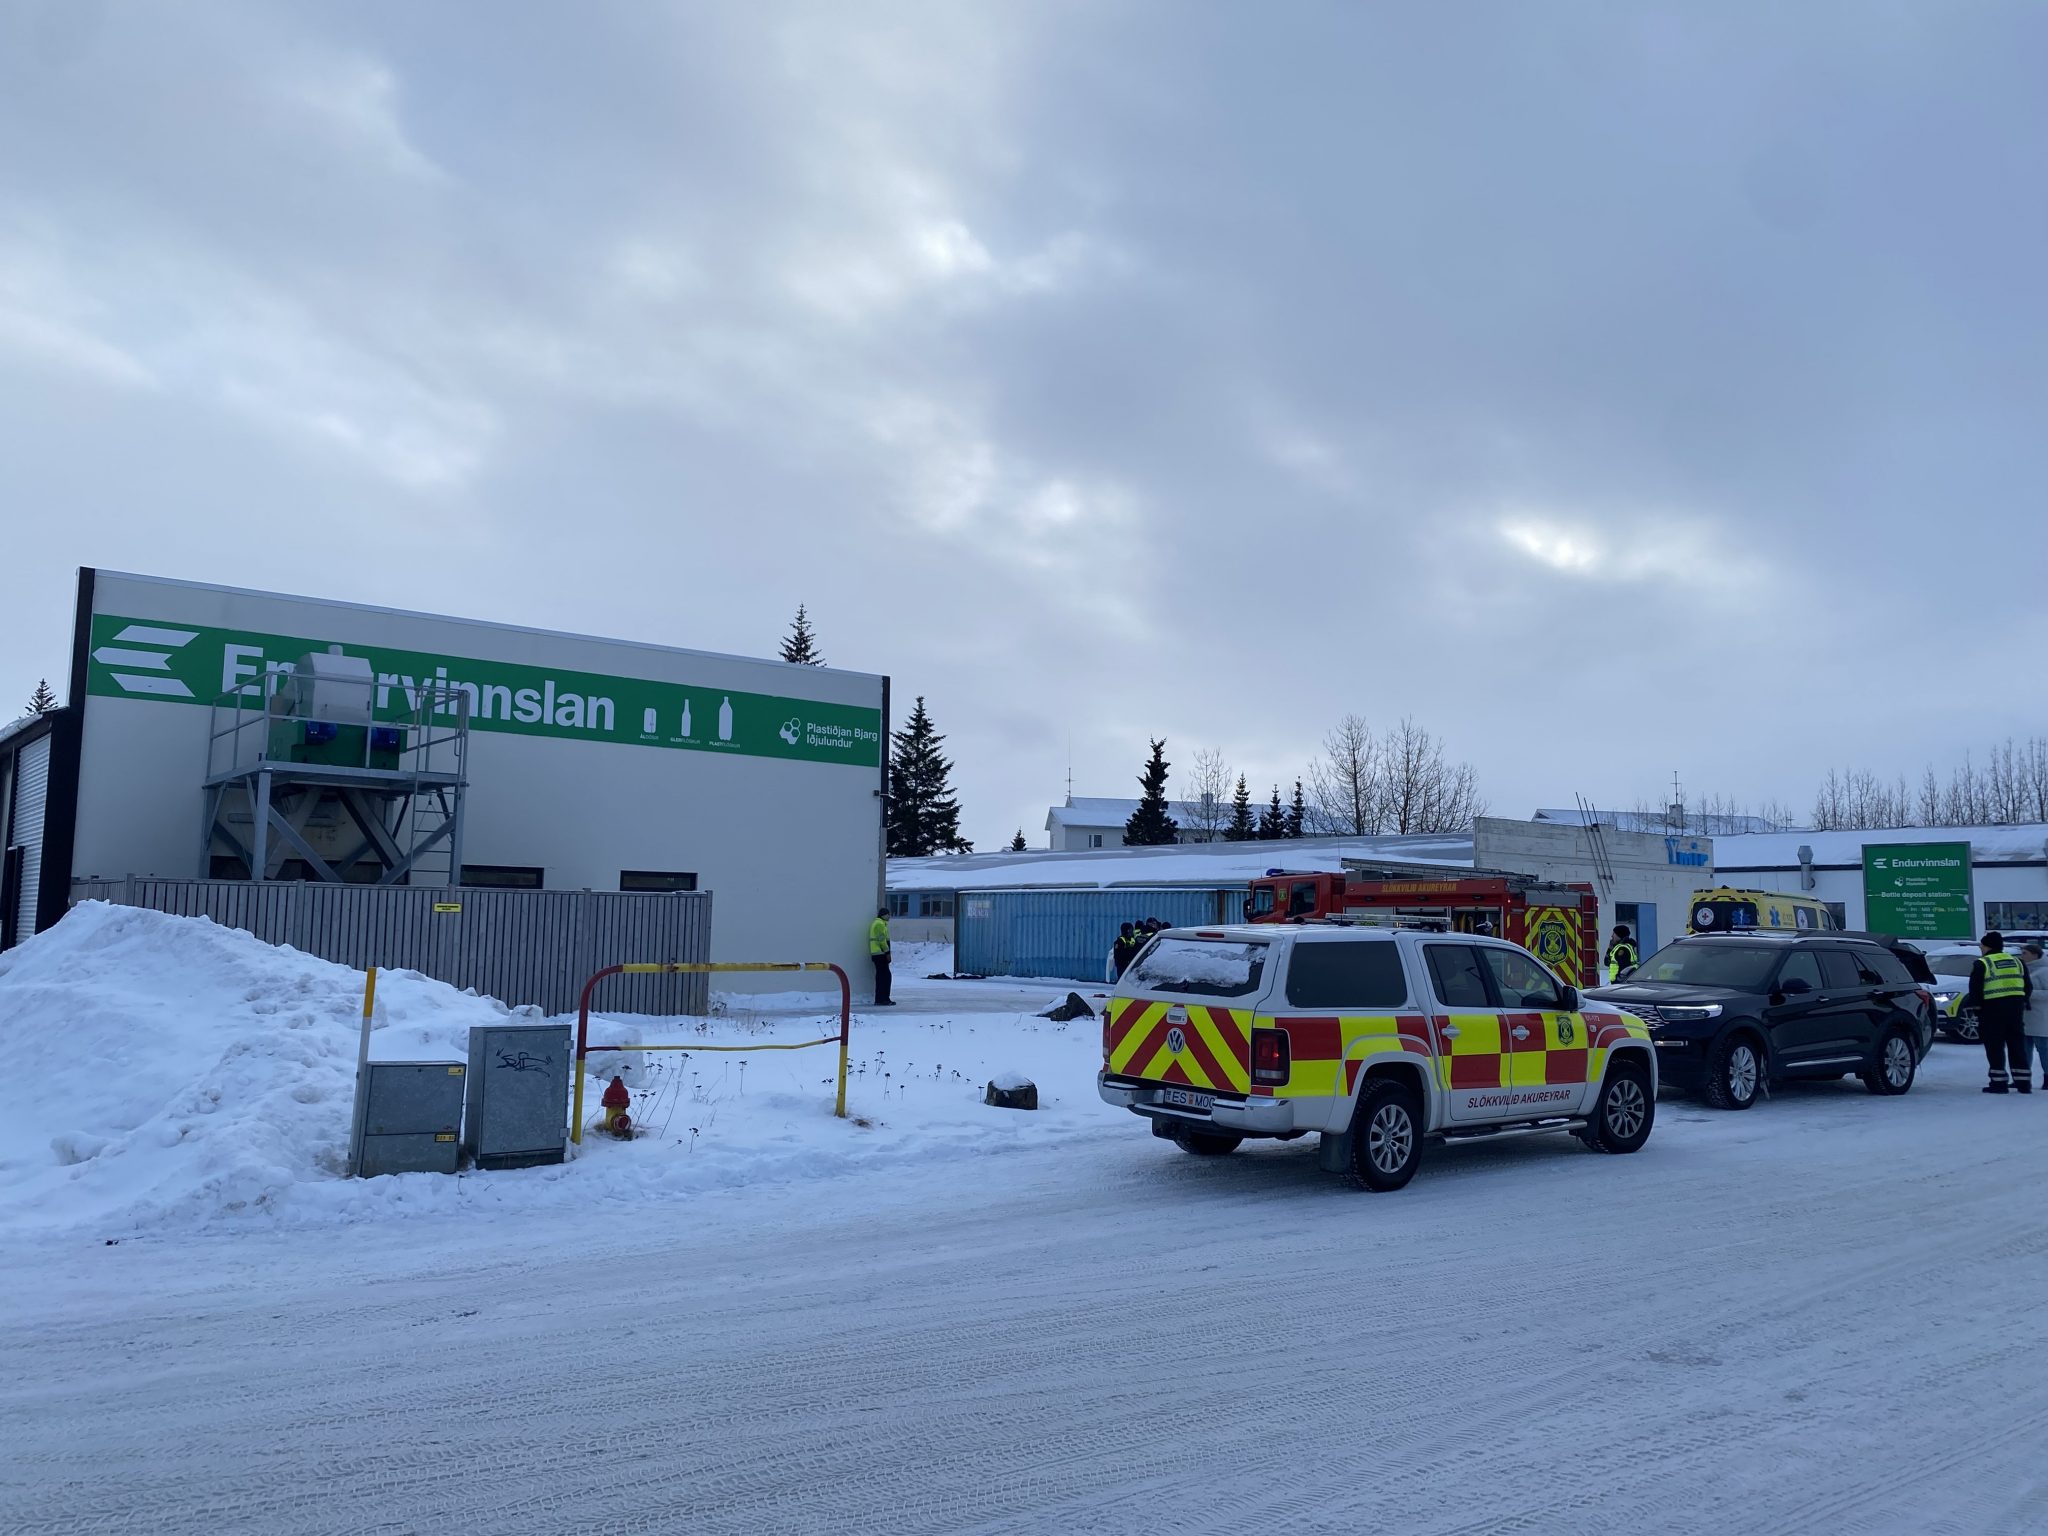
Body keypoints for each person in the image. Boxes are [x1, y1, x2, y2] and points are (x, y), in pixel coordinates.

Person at [1967, 930, 2031, 1093]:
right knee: (2017, 1045)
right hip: (2015, 1010)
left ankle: (1999, 1083)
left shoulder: (1982, 963)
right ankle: (2023, 1083)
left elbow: (1975, 989)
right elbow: (2027, 986)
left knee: (1995, 1047)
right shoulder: (2017, 962)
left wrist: (1976, 1008)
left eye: (1982, 945)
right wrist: (2022, 1001)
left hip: (1992, 1010)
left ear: (1988, 946)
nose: (1981, 948)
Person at [2022, 940, 2048, 1092]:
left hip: (2041, 1018)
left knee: (2044, 1051)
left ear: (2035, 955)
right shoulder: (2023, 969)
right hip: (2024, 1018)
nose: (2022, 956)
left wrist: (2029, 994)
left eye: (2025, 953)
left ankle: (2047, 1077)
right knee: (2024, 1051)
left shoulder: (2045, 971)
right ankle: (2023, 1078)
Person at [867, 905, 895, 1007]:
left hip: (878, 954)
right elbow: (882, 940)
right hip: (880, 954)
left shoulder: (880, 923)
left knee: (881, 977)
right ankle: (883, 999)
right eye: (888, 914)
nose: (889, 917)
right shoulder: (879, 924)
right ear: (883, 915)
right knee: (885, 977)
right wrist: (887, 953)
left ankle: (881, 999)